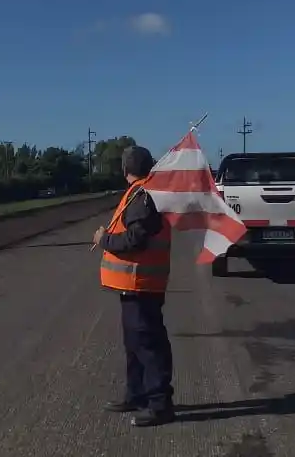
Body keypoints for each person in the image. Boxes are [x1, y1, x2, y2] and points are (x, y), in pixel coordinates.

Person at [92, 145, 175, 427]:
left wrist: (105, 240)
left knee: (148, 344)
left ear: (125, 169)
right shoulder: (144, 193)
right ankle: (137, 394)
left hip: (141, 282)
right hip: (136, 283)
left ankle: (160, 404)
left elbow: (136, 239)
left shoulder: (142, 197)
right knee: (135, 343)